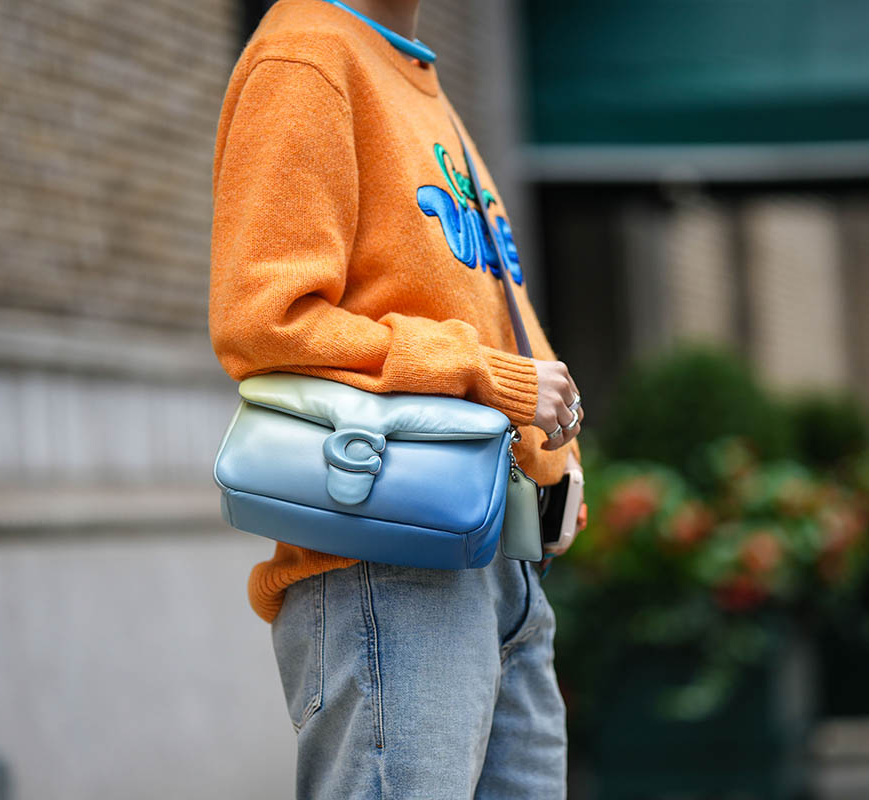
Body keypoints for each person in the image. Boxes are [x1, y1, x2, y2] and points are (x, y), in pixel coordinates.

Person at [208, 0, 587, 796]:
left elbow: (485, 295)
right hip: (389, 558)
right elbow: (266, 319)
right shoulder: (308, 56)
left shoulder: (410, 71)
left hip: (503, 566)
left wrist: (557, 460)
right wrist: (486, 373)